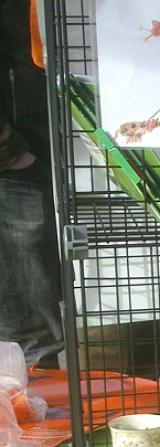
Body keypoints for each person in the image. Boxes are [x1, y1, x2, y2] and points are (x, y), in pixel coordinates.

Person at [0, 0, 64, 369]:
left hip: (35, 151)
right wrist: (8, 151)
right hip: (16, 162)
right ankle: (30, 421)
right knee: (27, 331)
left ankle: (35, 416)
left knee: (33, 323)